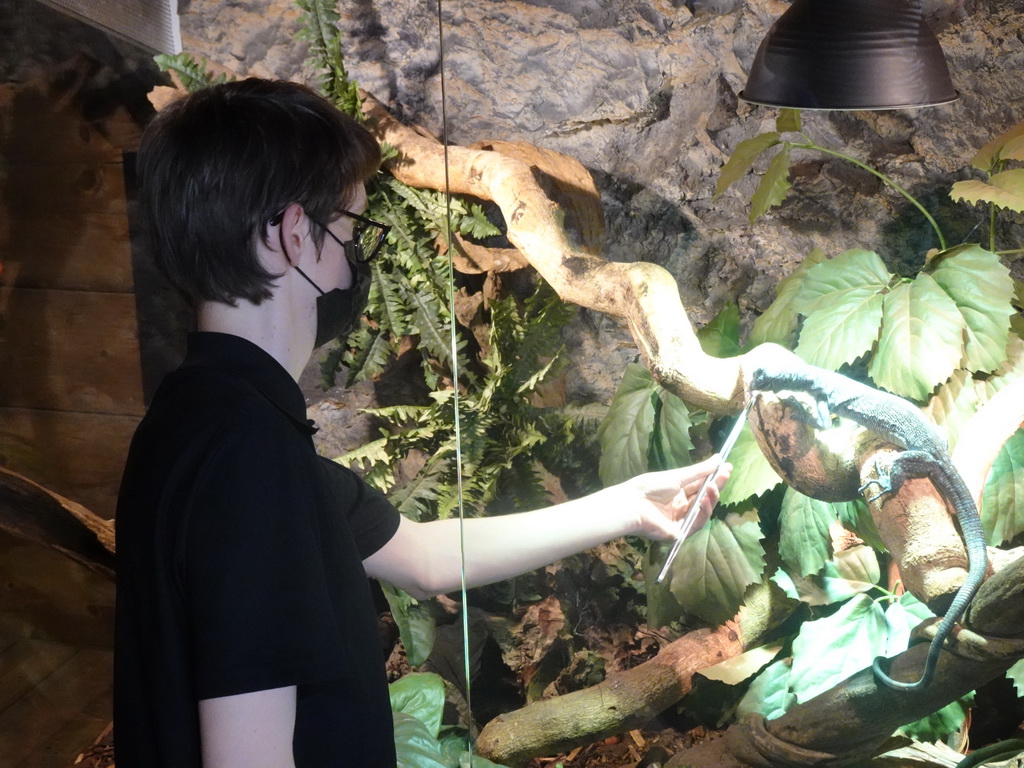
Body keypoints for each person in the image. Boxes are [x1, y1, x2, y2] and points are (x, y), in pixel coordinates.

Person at [113, 77, 731, 768]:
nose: (358, 253)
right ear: (293, 232)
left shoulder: (205, 416)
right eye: (350, 224)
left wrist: (628, 506)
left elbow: (423, 557)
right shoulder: (246, 457)